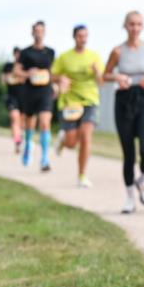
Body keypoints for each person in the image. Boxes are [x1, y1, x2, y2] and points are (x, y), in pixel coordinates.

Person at [103, 11, 144, 213]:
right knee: (128, 154)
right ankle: (129, 199)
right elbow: (105, 74)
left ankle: (143, 180)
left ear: (142, 26)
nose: (135, 28)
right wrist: (118, 77)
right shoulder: (118, 51)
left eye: (138, 24)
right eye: (131, 24)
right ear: (125, 26)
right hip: (124, 100)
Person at [52, 25, 104, 187]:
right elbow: (52, 75)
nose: (83, 39)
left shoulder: (94, 56)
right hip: (69, 103)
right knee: (71, 143)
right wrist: (61, 79)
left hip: (90, 101)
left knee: (86, 136)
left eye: (85, 36)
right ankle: (63, 139)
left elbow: (101, 81)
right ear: (74, 37)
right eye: (80, 36)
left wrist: (96, 72)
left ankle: (82, 175)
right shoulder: (65, 57)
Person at [16, 21, 57, 171]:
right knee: (30, 122)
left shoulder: (50, 52)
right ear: (32, 33)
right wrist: (27, 73)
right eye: (36, 31)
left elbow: (53, 71)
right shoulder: (26, 52)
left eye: (41, 31)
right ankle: (28, 145)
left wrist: (55, 84)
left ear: (44, 33)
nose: (39, 34)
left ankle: (44, 158)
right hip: (30, 91)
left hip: (45, 90)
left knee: (45, 122)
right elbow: (17, 71)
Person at [1, 47, 26, 155]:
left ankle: (20, 136)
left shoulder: (25, 67)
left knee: (22, 122)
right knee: (14, 118)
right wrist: (12, 76)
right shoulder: (8, 66)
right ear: (14, 55)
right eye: (17, 54)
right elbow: (3, 80)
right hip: (12, 97)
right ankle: (17, 143)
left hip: (25, 97)